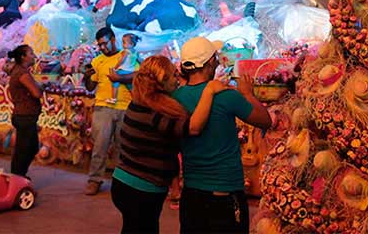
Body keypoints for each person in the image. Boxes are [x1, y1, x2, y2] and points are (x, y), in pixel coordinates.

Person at [111, 55, 228, 234]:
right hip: (141, 190)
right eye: (174, 76)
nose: (178, 80)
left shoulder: (139, 101)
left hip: (124, 184)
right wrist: (209, 91)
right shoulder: (157, 111)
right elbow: (193, 128)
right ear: (162, 81)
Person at [172, 37, 272, 234]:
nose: (218, 61)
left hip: (191, 193)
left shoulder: (175, 98)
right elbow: (265, 121)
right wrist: (248, 94)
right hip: (225, 193)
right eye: (215, 57)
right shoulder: (226, 96)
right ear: (210, 63)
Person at [83, 26, 135, 195]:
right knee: (100, 146)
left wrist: (119, 78)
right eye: (100, 45)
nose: (103, 48)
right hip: (103, 107)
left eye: (105, 44)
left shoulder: (128, 56)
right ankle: (94, 180)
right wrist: (86, 76)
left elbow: (137, 75)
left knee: (123, 148)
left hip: (125, 107)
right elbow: (91, 87)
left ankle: (122, 182)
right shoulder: (98, 61)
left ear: (113, 40)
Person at [6, 44, 42, 179]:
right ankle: (17, 177)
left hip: (24, 116)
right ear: (23, 57)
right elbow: (37, 93)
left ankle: (18, 175)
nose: (34, 56)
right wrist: (41, 86)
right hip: (24, 116)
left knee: (28, 148)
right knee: (25, 149)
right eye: (31, 53)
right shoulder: (22, 73)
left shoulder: (18, 71)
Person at [111, 33, 141, 102]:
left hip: (123, 70)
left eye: (124, 43)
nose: (122, 45)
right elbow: (139, 60)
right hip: (130, 72)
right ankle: (135, 100)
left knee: (115, 82)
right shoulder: (136, 52)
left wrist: (115, 67)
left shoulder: (126, 51)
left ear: (132, 44)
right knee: (130, 86)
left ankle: (113, 99)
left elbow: (122, 61)